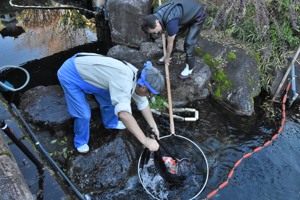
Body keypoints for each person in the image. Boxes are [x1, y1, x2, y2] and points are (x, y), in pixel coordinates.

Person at [57, 52, 165, 154]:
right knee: (84, 114)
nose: (149, 96)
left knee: (109, 100)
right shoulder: (124, 82)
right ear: (143, 87)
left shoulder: (138, 78)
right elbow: (124, 114)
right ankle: (80, 142)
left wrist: (153, 126)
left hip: (94, 75)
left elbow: (142, 103)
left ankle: (110, 123)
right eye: (150, 94)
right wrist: (145, 140)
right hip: (71, 73)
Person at [141, 0, 206, 79]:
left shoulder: (170, 22)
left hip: (198, 14)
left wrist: (167, 58)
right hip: (185, 12)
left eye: (155, 30)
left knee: (189, 42)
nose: (156, 32)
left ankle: (189, 68)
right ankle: (170, 54)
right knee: (173, 33)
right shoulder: (156, 13)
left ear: (157, 22)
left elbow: (170, 43)